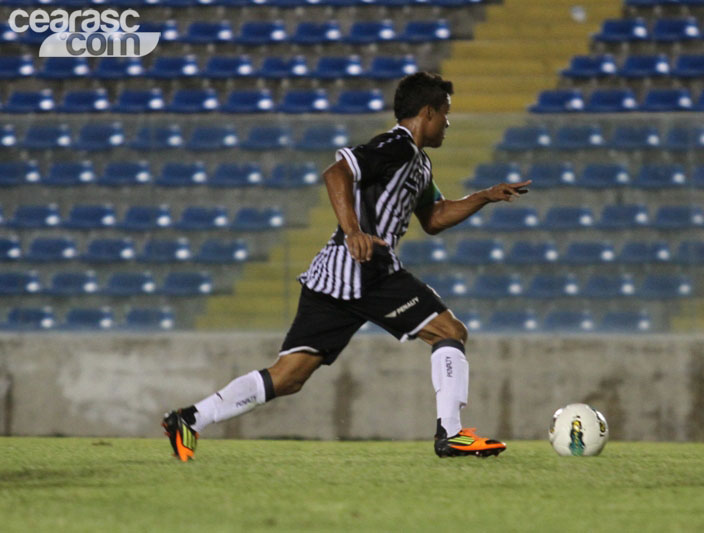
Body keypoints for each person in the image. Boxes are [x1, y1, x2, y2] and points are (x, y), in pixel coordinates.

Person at [162, 72, 531, 461]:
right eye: (445, 114)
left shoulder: (419, 165)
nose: (448, 123)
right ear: (427, 112)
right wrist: (353, 230)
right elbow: (336, 172)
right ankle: (452, 435)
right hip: (365, 268)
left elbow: (435, 217)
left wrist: (484, 197)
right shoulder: (397, 145)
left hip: (334, 276)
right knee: (448, 331)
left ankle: (189, 419)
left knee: (289, 376)